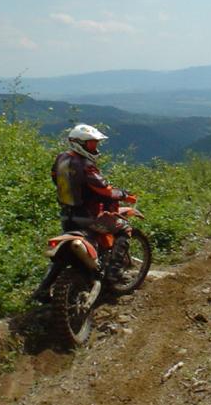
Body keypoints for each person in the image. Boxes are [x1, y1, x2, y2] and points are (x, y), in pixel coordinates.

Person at [32, 123, 135, 303]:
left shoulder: (61, 159)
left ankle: (43, 289)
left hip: (67, 216)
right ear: (79, 143)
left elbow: (54, 178)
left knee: (62, 258)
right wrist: (125, 195)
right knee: (124, 228)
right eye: (91, 144)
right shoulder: (86, 165)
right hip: (89, 217)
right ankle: (114, 273)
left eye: (95, 144)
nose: (95, 148)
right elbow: (105, 191)